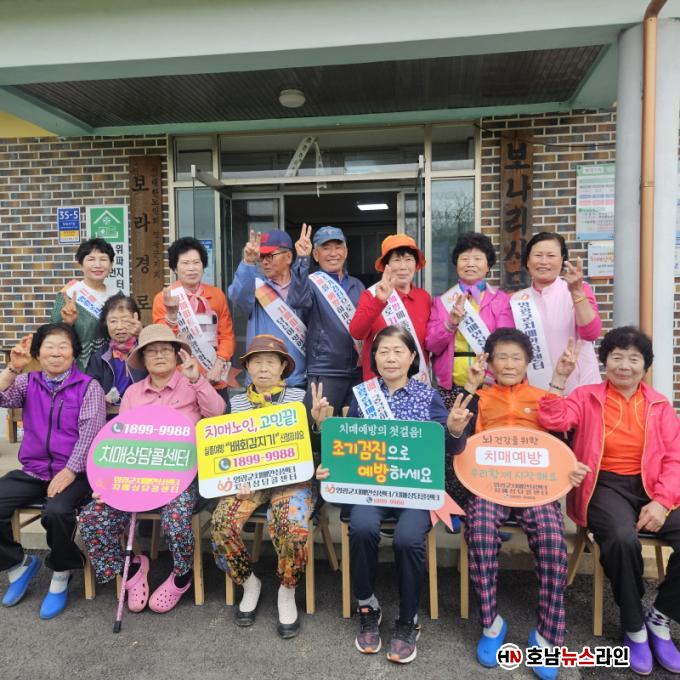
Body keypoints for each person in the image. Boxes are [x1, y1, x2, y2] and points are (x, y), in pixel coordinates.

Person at [314, 326, 468, 664]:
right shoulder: (362, 395)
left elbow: (450, 447)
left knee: (408, 539)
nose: (391, 358)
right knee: (362, 528)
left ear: (412, 357)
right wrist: (329, 460)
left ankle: (408, 619)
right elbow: (347, 448)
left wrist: (455, 430)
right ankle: (368, 606)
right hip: (371, 489)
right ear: (375, 358)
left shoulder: (427, 396)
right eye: (383, 351)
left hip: (415, 490)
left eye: (399, 351)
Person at [538, 326, 680, 676]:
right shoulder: (586, 396)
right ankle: (633, 626)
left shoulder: (660, 405)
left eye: (634, 359)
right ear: (605, 362)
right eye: (617, 357)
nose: (624, 366)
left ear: (645, 365)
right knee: (620, 538)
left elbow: (675, 458)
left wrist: (662, 501)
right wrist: (559, 378)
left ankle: (660, 617)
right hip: (602, 484)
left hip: (652, 487)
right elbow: (552, 419)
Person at [459, 327, 589, 680]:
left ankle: (547, 636)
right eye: (501, 357)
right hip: (489, 485)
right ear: (489, 362)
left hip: (535, 489)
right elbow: (459, 439)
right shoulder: (480, 398)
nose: (509, 364)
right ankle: (491, 624)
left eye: (516, 357)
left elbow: (561, 440)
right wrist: (469, 388)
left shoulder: (543, 397)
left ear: (528, 361)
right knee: (480, 532)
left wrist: (571, 467)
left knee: (552, 539)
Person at [78, 325, 225, 614]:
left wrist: (197, 379)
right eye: (152, 351)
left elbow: (217, 413)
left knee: (176, 519)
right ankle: (132, 569)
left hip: (183, 476)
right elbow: (121, 441)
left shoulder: (191, 384)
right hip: (138, 477)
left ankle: (181, 574)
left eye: (165, 350)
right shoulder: (133, 393)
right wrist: (106, 482)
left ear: (176, 354)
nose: (159, 355)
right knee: (92, 518)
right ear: (143, 359)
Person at [0, 323, 106, 619]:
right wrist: (13, 368)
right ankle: (17, 565)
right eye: (49, 346)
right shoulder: (27, 381)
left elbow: (90, 434)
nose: (56, 353)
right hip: (34, 469)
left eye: (63, 346)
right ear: (38, 352)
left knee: (57, 512)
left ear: (74, 353)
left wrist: (71, 470)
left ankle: (62, 572)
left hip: (76, 472)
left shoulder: (88, 387)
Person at [211, 334, 310, 639]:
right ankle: (248, 583)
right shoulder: (236, 401)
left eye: (270, 362)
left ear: (283, 367)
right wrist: (233, 478)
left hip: (291, 477)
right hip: (248, 481)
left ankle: (287, 590)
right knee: (221, 523)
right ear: (248, 368)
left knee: (292, 526)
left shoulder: (301, 398)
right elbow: (225, 447)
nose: (263, 368)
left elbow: (315, 445)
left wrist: (319, 423)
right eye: (256, 362)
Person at [426, 232, 513, 408]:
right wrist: (450, 324)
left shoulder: (501, 300)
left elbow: (506, 344)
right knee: (453, 426)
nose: (470, 264)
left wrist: (490, 377)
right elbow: (432, 345)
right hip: (450, 387)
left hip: (490, 384)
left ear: (488, 265)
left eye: (477, 258)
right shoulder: (442, 302)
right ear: (456, 263)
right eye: (464, 258)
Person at [286, 225, 365, 414]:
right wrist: (301, 259)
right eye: (326, 248)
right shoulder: (310, 283)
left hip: (357, 371)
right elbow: (297, 300)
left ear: (346, 251)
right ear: (315, 254)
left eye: (338, 247)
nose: (333, 253)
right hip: (325, 370)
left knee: (352, 426)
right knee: (319, 424)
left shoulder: (357, 285)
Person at [510, 232, 601, 394]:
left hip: (578, 390)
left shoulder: (579, 289)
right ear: (527, 261)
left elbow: (591, 333)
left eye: (551, 255)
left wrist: (577, 293)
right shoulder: (517, 300)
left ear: (562, 260)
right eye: (538, 255)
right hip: (534, 391)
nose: (543, 261)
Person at [152, 237, 235, 397]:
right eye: (185, 263)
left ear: (203, 265)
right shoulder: (163, 298)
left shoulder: (216, 295)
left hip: (214, 374)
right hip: (179, 376)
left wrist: (219, 364)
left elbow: (226, 335)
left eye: (196, 262)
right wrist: (172, 316)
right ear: (175, 268)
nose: (191, 268)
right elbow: (162, 339)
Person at [228, 230, 308, 389]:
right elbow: (238, 295)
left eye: (270, 256)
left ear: (288, 257)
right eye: (262, 257)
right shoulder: (256, 286)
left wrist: (304, 260)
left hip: (297, 379)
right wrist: (248, 262)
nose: (264, 262)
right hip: (261, 380)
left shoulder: (304, 288)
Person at [349, 235, 431, 383]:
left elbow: (431, 342)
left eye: (408, 259)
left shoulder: (424, 297)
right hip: (379, 385)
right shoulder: (371, 295)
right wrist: (379, 301)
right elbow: (357, 332)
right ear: (386, 266)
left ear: (416, 264)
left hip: (416, 384)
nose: (403, 267)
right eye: (397, 260)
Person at [50, 238, 115, 371]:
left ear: (111, 265)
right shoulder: (68, 294)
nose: (97, 265)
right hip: (77, 369)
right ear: (81, 265)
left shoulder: (117, 296)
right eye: (91, 259)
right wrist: (67, 323)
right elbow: (52, 334)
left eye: (103, 259)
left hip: (110, 368)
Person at [86, 293, 146, 419]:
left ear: (136, 320)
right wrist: (102, 399)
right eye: (113, 321)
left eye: (125, 320)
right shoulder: (99, 357)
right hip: (109, 419)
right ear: (105, 324)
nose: (119, 327)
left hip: (143, 417)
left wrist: (143, 336)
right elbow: (89, 392)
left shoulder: (146, 351)